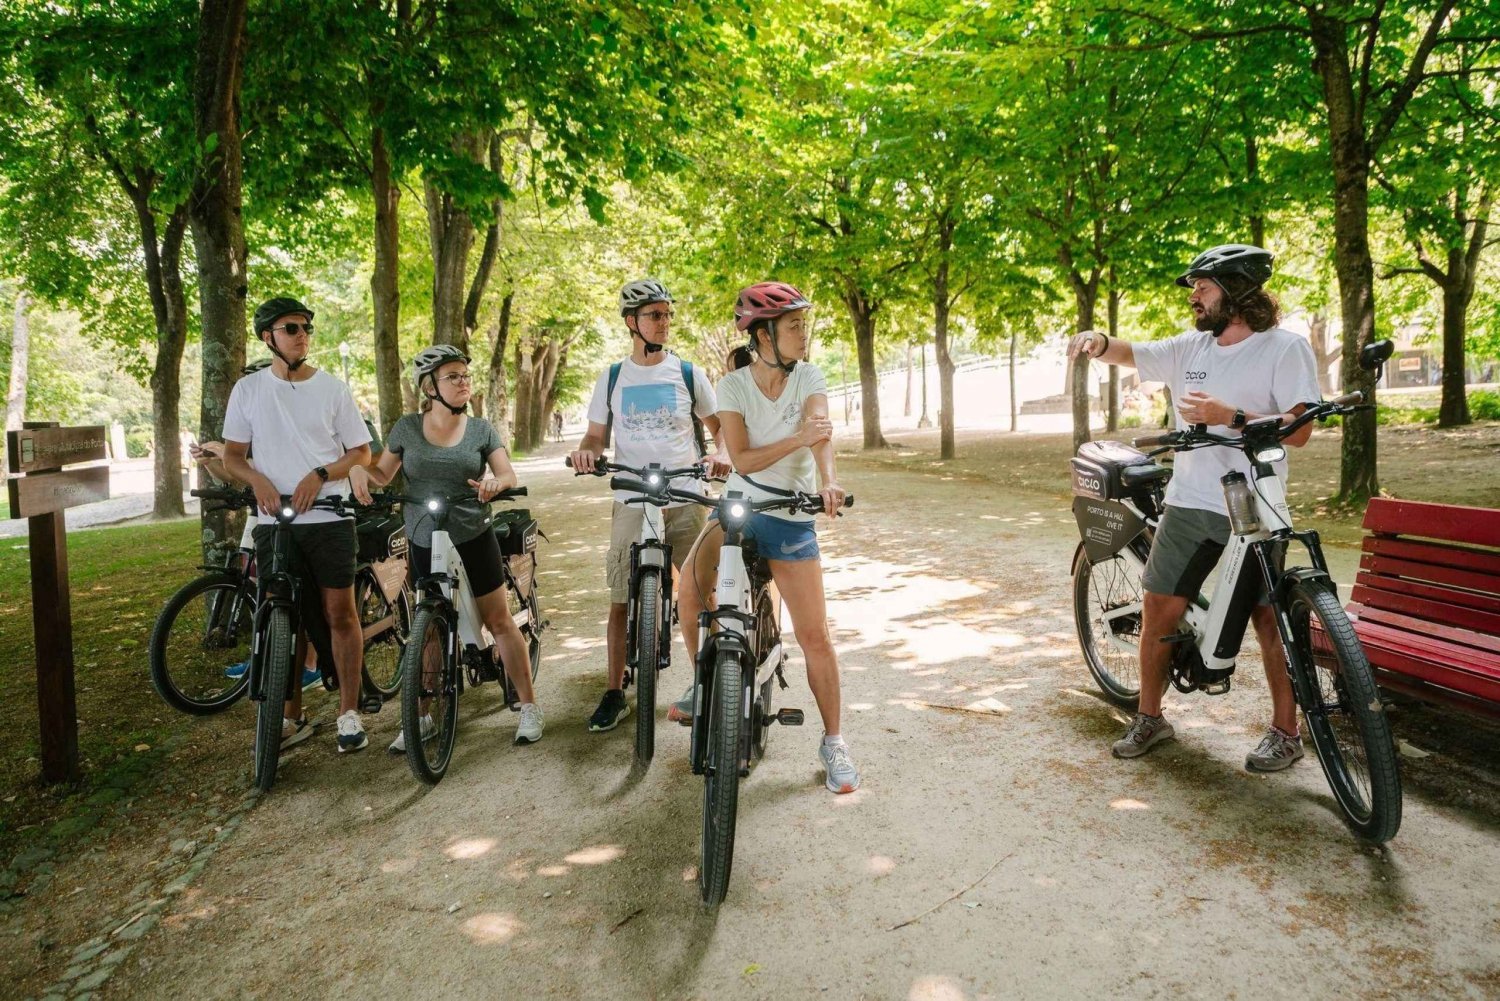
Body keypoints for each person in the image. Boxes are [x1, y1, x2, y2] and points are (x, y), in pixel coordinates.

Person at [1067, 244, 1322, 771]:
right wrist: (1097, 342)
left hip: (1256, 506)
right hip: (1190, 502)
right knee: (1161, 607)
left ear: (1238, 290)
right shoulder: (1191, 349)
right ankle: (1151, 716)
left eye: (1203, 289)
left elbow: (1300, 430)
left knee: (1269, 617)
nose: (1194, 299)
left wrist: (1233, 416)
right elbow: (1132, 352)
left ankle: (1285, 731)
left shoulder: (1284, 349)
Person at [676, 281, 858, 794]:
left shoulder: (811, 376)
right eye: (794, 325)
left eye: (804, 323)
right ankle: (707, 682)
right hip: (740, 507)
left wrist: (827, 481)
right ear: (762, 335)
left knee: (814, 634)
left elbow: (822, 436)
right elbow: (744, 458)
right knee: (688, 590)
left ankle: (834, 740)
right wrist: (799, 438)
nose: (804, 333)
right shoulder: (732, 385)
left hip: (790, 513)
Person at [350, 344, 544, 747]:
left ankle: (528, 706)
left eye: (465, 376)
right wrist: (357, 470)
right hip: (423, 536)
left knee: (498, 621)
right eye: (452, 377)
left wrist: (496, 483)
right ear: (429, 387)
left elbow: (506, 471)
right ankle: (420, 717)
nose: (463, 383)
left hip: (472, 532)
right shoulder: (405, 428)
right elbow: (382, 475)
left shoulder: (480, 429)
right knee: (429, 628)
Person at [569, 279, 732, 733]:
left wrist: (720, 454)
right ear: (631, 322)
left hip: (683, 493)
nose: (665, 322)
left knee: (699, 590)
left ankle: (712, 679)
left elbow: (719, 430)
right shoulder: (614, 377)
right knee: (621, 596)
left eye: (667, 314)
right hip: (631, 495)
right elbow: (595, 437)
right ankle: (614, 691)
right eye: (655, 315)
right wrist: (587, 453)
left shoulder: (687, 373)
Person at [221, 297, 374, 752]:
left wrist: (322, 474)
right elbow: (232, 456)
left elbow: (360, 452)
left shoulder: (332, 388)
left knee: (338, 614)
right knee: (281, 615)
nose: (302, 334)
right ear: (268, 336)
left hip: (328, 517)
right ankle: (290, 715)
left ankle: (349, 713)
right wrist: (257, 479)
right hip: (275, 522)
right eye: (291, 328)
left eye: (306, 327)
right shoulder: (247, 391)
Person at [193, 359, 321, 694]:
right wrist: (210, 462)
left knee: (296, 588)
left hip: (296, 513)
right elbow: (236, 473)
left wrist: (224, 454)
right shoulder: (248, 417)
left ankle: (309, 663)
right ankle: (265, 655)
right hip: (259, 513)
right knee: (258, 579)